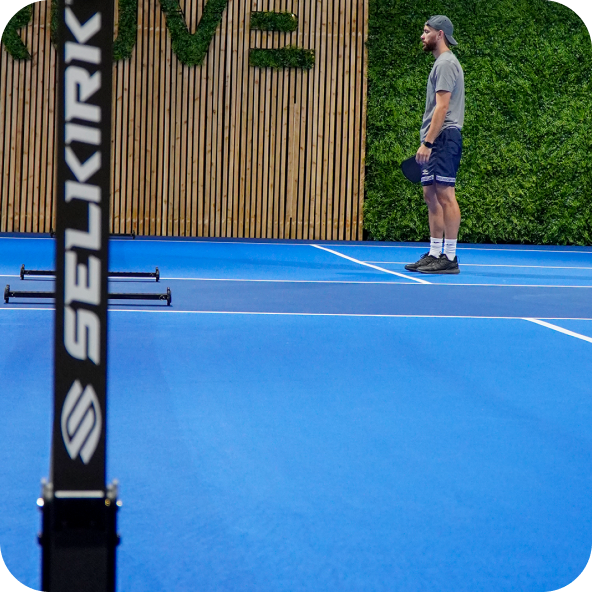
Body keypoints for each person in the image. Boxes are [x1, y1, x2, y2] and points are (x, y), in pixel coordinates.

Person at [405, 15, 465, 274]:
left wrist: (428, 143)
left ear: (439, 35)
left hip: (443, 137)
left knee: (444, 194)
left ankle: (449, 258)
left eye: (426, 31)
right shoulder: (441, 63)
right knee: (430, 194)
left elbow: (442, 107)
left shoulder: (446, 64)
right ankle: (434, 252)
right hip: (435, 138)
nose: (422, 35)